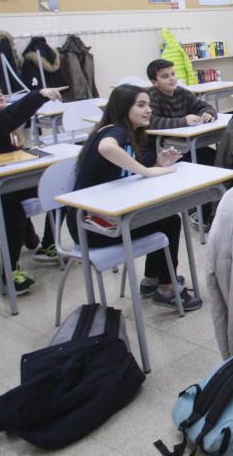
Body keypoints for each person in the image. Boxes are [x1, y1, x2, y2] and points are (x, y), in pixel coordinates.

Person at [67, 84, 202, 310]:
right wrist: (148, 171)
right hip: (90, 225)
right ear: (123, 109)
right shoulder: (115, 131)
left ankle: (152, 280)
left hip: (103, 217)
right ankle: (167, 289)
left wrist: (159, 164)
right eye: (141, 105)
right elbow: (106, 148)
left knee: (162, 217)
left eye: (148, 104)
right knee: (168, 221)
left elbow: (125, 175)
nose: (148, 110)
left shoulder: (131, 134)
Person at [0, 80, 65, 293]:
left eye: (0, 91)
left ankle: (48, 246)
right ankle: (9, 273)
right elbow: (12, 115)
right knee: (13, 213)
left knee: (58, 189)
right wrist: (39, 94)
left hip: (9, 182)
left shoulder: (4, 125)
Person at [146, 58, 218, 225]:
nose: (172, 78)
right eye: (165, 76)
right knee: (201, 167)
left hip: (186, 144)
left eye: (173, 74)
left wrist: (208, 113)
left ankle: (210, 209)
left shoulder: (181, 92)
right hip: (164, 150)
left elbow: (204, 106)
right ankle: (197, 211)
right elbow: (152, 122)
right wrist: (182, 121)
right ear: (154, 82)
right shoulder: (152, 97)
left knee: (217, 160)